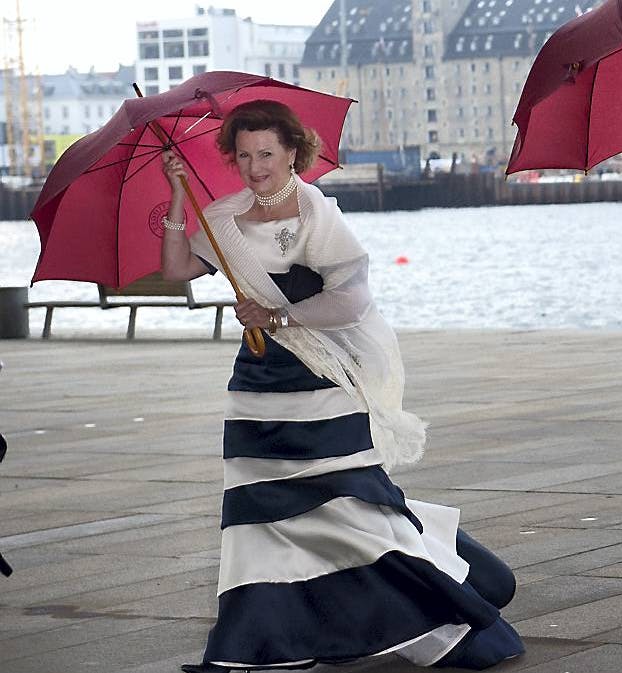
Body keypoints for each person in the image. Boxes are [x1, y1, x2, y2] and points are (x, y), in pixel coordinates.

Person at [158, 100, 523, 672]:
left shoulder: (313, 213)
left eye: (268, 155)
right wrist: (179, 196)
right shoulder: (224, 217)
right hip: (256, 387)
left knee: (350, 507)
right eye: (246, 155)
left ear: (293, 153)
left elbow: (350, 300)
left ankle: (445, 599)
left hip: (321, 381)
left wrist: (277, 317)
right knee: (257, 515)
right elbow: (176, 269)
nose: (256, 167)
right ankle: (265, 640)